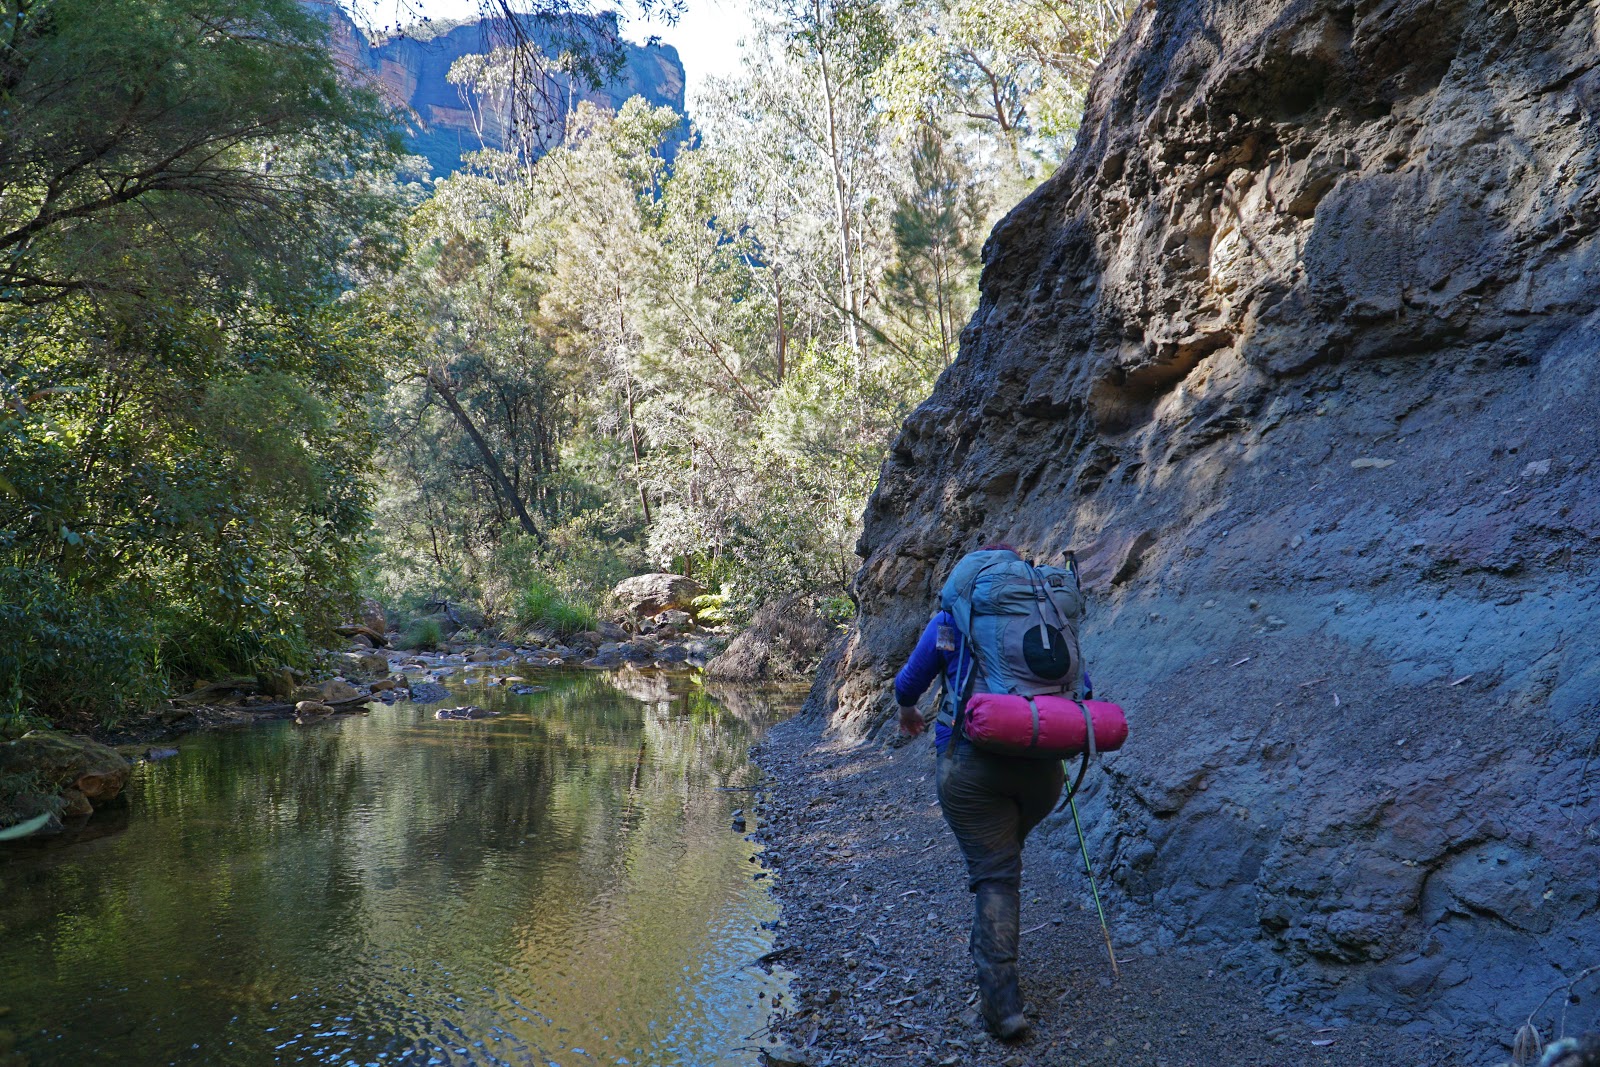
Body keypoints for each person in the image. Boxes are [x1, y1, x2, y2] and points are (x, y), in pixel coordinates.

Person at [892, 544, 1066, 1041]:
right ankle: (988, 954)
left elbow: (910, 681)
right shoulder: (1049, 616)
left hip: (972, 768)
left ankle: (1002, 1008)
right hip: (1043, 770)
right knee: (1002, 862)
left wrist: (907, 710)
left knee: (995, 876)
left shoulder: (953, 618)